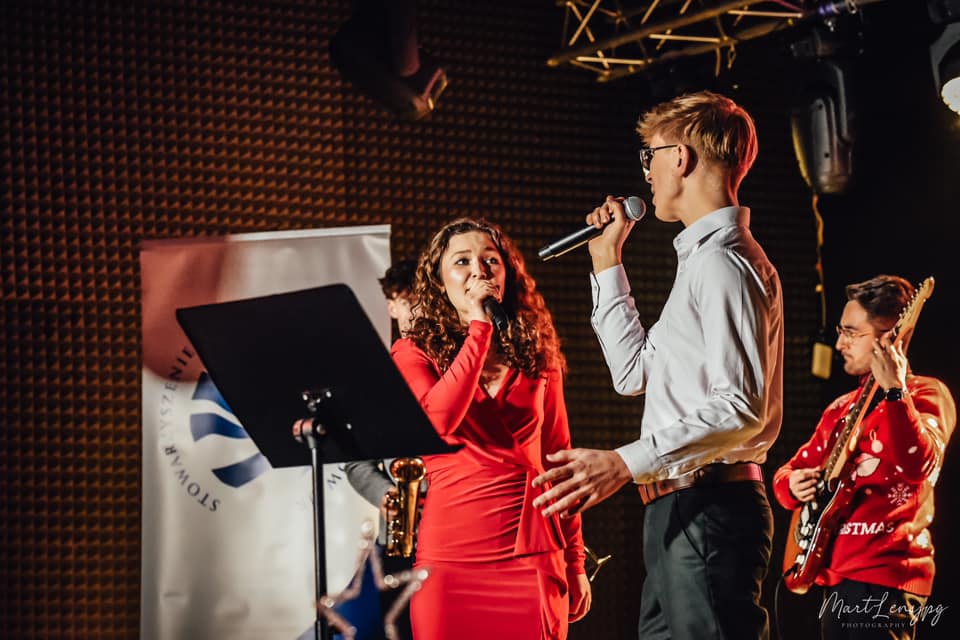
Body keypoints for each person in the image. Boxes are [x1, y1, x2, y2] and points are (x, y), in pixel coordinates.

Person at [532, 90, 784, 639]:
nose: (645, 172)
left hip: (710, 502)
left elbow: (741, 408)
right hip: (682, 506)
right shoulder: (702, 260)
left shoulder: (723, 262)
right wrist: (606, 260)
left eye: (649, 155)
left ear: (680, 157)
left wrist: (623, 463)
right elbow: (633, 374)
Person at [392, 217, 591, 640]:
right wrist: (478, 330)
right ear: (439, 281)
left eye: (490, 260)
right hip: (451, 558)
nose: (479, 270)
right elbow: (438, 422)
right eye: (461, 261)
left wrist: (575, 561)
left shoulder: (537, 354)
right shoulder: (413, 351)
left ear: (507, 275)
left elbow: (560, 459)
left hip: (531, 554)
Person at [773, 275, 956, 639]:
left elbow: (920, 464)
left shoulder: (926, 394)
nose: (839, 343)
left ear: (889, 337)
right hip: (832, 576)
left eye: (851, 333)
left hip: (886, 578)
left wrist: (895, 392)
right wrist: (792, 483)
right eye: (840, 331)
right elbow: (790, 471)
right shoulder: (840, 408)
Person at [342, 259, 419, 640]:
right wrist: (386, 494)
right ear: (392, 307)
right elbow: (357, 463)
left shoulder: (460, 369)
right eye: (408, 302)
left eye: (424, 301)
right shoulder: (377, 379)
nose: (417, 311)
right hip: (400, 536)